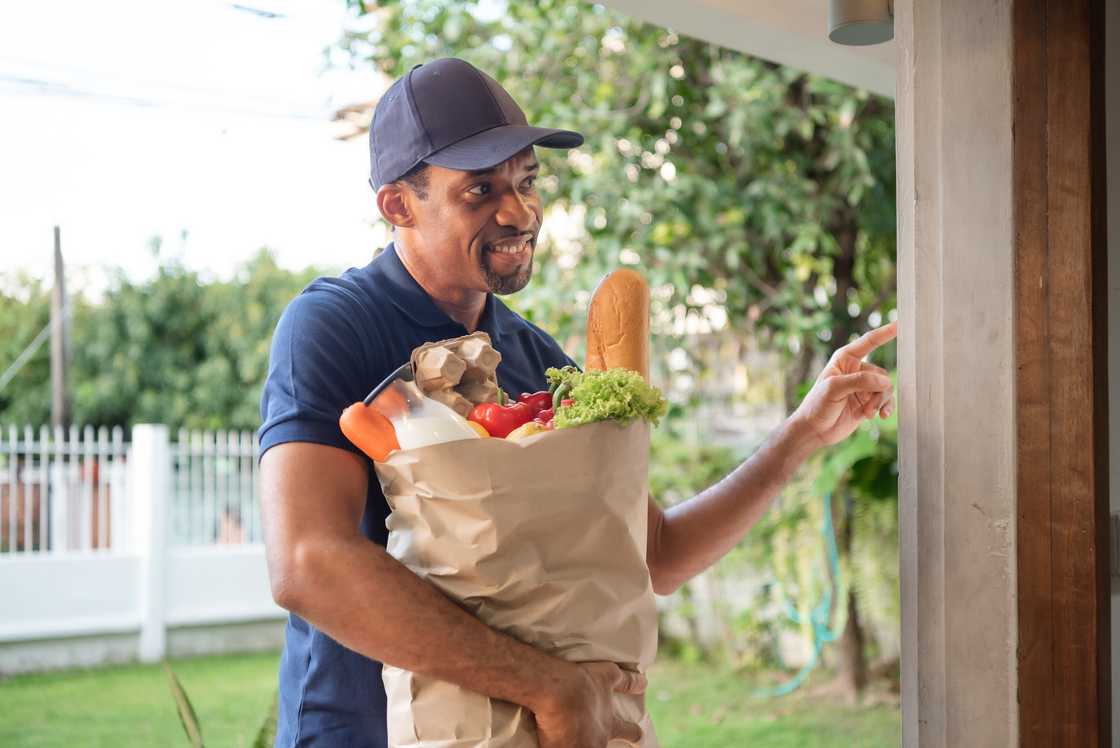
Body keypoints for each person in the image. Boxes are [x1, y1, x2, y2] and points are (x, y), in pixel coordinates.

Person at [258, 57, 896, 748]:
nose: (519, 212)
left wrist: (801, 435)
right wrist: (547, 686)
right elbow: (308, 563)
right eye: (480, 190)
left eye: (527, 181)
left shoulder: (535, 359)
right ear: (398, 205)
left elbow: (656, 553)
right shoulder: (336, 325)